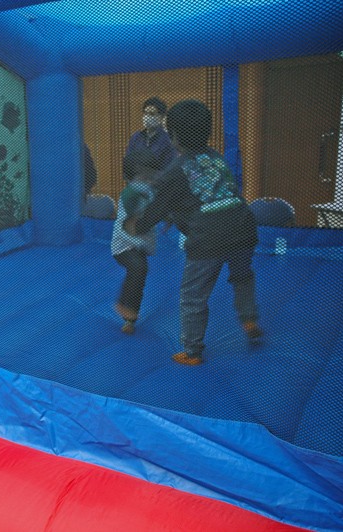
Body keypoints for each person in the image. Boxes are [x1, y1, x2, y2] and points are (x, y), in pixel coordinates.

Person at [125, 99, 261, 365]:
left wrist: (135, 225)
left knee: (192, 295)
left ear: (173, 135)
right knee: (242, 277)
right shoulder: (217, 158)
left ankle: (192, 350)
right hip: (243, 226)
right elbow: (215, 193)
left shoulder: (176, 170)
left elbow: (156, 208)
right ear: (207, 131)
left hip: (209, 237)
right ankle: (249, 319)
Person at [112, 150, 162, 334]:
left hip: (140, 243)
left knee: (139, 276)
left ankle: (129, 318)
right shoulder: (130, 195)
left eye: (151, 176)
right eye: (145, 176)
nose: (149, 179)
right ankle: (123, 306)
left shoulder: (148, 191)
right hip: (123, 244)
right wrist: (137, 241)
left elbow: (155, 211)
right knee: (138, 268)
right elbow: (122, 227)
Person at [125, 97, 176, 173]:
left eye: (152, 114)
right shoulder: (136, 137)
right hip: (135, 179)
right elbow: (128, 162)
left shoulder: (168, 140)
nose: (147, 117)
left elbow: (169, 169)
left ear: (161, 116)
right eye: (145, 113)